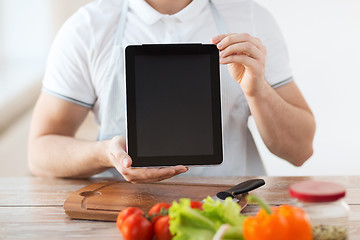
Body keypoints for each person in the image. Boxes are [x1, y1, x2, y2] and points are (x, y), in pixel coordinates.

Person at [28, 0, 316, 182]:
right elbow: (40, 152)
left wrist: (258, 91)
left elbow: (300, 151)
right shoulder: (88, 27)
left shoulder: (252, 18)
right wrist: (105, 154)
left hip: (231, 209)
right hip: (124, 215)